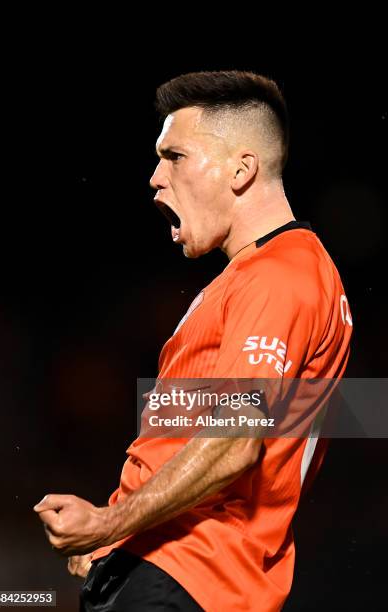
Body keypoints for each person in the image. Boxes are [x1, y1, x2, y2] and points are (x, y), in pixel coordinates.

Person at [34, 70, 353, 611]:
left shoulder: (285, 272)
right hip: (166, 568)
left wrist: (110, 522)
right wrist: (115, 538)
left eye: (174, 156)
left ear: (241, 168)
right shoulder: (248, 280)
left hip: (191, 577)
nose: (156, 177)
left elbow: (235, 439)